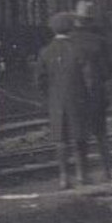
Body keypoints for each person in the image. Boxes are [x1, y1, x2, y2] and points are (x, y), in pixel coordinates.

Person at [37, 12, 107, 188]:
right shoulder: (78, 50)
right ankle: (82, 176)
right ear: (70, 28)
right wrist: (90, 98)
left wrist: (51, 96)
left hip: (56, 102)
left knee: (61, 140)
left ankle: (63, 178)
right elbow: (89, 77)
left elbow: (40, 81)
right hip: (78, 100)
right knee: (79, 137)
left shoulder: (45, 52)